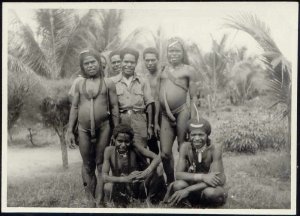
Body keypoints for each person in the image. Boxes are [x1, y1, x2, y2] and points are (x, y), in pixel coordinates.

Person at [67, 50, 119, 207]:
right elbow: (75, 107)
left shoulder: (107, 82)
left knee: (101, 163)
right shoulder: (79, 83)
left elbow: (115, 106)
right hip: (83, 129)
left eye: (93, 62)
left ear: (99, 63)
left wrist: (116, 129)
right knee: (87, 163)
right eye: (86, 63)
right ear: (82, 66)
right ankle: (89, 200)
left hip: (104, 127)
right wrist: (70, 130)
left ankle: (100, 198)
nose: (90, 66)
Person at [155, 37, 198, 185]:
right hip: (165, 115)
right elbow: (158, 96)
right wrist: (155, 121)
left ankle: (184, 182)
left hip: (183, 112)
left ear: (183, 52)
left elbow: (193, 98)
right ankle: (171, 182)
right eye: (170, 51)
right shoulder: (162, 70)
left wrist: (193, 120)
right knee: (165, 153)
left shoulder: (189, 70)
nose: (173, 54)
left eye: (177, 51)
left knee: (183, 148)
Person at [163, 117, 227, 207]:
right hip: (194, 183)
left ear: (207, 135)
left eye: (201, 135)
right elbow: (178, 175)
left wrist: (188, 190)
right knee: (178, 185)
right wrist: (202, 176)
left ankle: (204, 204)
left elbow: (216, 180)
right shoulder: (185, 147)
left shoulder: (215, 149)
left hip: (208, 186)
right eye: (193, 135)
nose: (197, 138)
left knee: (213, 193)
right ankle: (190, 203)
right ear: (189, 135)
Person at [102, 123, 166, 207]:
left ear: (131, 141)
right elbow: (104, 177)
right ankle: (110, 206)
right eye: (120, 141)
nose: (123, 145)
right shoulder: (109, 151)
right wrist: (125, 179)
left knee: (158, 168)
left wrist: (146, 172)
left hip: (137, 186)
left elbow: (157, 157)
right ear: (114, 139)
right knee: (107, 186)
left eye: (127, 142)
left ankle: (148, 199)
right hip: (121, 186)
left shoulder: (134, 147)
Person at [111, 47, 155, 150]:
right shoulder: (112, 82)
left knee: (140, 152)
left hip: (139, 119)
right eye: (126, 61)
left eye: (132, 62)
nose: (129, 65)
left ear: (136, 63)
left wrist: (149, 127)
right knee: (123, 152)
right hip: (121, 119)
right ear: (121, 62)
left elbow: (149, 104)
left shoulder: (143, 81)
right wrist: (115, 128)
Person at [143, 47, 160, 154]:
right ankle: (156, 170)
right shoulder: (144, 77)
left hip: (162, 112)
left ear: (158, 60)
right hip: (149, 112)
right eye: (147, 60)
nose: (150, 63)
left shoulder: (163, 75)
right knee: (152, 144)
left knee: (165, 149)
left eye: (152, 60)